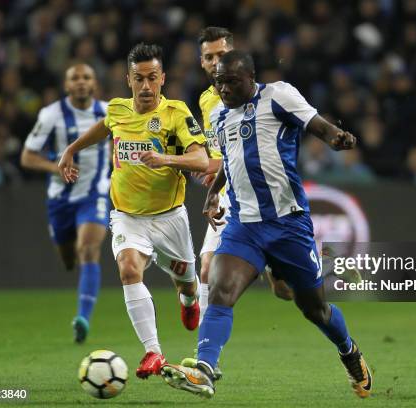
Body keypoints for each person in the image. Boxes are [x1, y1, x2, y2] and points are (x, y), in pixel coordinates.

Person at [161, 50, 372, 399]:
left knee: (313, 308)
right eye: (219, 82)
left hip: (288, 225)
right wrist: (214, 194)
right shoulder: (219, 116)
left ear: (250, 78)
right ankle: (204, 369)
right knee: (220, 291)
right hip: (245, 225)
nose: (224, 88)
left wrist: (337, 138)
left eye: (231, 81)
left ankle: (349, 351)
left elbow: (317, 125)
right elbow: (230, 163)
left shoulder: (278, 95)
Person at [58, 44, 209, 378]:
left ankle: (189, 299)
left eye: (152, 78)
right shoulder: (117, 110)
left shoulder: (176, 113)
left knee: (185, 283)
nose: (145, 86)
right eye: (138, 79)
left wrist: (166, 159)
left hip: (170, 217)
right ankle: (153, 352)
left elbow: (201, 160)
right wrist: (71, 149)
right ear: (128, 80)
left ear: (162, 79)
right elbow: (104, 127)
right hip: (127, 215)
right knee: (128, 269)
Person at [194, 26, 294, 325]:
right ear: (201, 62)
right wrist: (213, 172)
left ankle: (289, 266)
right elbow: (222, 152)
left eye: (221, 55)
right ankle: (204, 356)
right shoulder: (205, 101)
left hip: (263, 198)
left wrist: (202, 166)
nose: (215, 62)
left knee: (285, 290)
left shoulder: (255, 97)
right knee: (206, 268)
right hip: (229, 196)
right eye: (209, 57)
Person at [21, 64, 109, 343]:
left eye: (86, 77)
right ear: (66, 86)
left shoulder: (109, 112)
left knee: (88, 248)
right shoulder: (51, 115)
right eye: (75, 78)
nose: (81, 82)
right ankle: (69, 257)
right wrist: (54, 168)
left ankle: (83, 317)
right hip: (60, 199)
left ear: (94, 84)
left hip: (95, 193)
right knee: (69, 258)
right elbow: (27, 157)